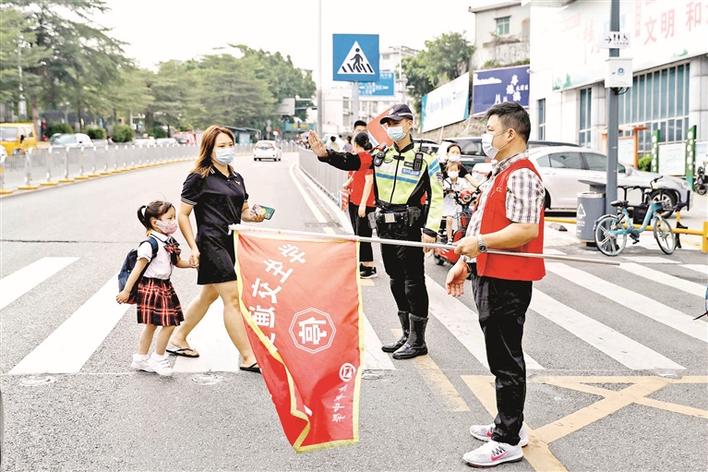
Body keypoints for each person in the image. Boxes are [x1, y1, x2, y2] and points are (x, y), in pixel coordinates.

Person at [445, 102, 545, 468]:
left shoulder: (521, 174)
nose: (486, 137)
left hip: (508, 279)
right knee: (500, 355)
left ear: (510, 133)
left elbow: (525, 229)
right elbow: (482, 223)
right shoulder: (501, 171)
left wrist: (480, 244)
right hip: (490, 272)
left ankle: (507, 439)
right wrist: (464, 263)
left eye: (490, 130)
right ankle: (510, 425)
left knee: (505, 360)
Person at [308, 104, 444, 360]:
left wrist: (430, 230)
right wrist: (325, 154)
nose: (391, 128)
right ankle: (406, 334)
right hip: (386, 228)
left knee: (413, 283)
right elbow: (352, 161)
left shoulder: (426, 159)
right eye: (388, 124)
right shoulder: (380, 155)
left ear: (409, 124)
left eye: (396, 123)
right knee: (395, 279)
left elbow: (437, 197)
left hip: (410, 229)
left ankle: (418, 340)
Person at [168, 125, 266, 373]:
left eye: (230, 145)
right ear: (209, 149)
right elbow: (183, 214)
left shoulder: (236, 177)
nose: (227, 149)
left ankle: (178, 338)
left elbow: (244, 212)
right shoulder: (198, 177)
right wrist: (193, 247)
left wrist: (256, 216)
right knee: (232, 298)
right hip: (210, 242)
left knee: (208, 295)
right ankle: (247, 356)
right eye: (221, 146)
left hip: (231, 242)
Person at [116, 201, 192, 377]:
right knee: (169, 323)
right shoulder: (149, 244)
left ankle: (140, 358)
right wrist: (126, 291)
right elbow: (137, 269)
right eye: (169, 218)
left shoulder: (169, 240)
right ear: (155, 222)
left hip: (164, 285)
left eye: (174, 217)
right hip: (152, 286)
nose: (173, 221)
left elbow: (177, 262)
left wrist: (191, 264)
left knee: (152, 325)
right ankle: (158, 358)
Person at [341, 132, 377, 278]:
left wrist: (363, 205)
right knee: (358, 234)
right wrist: (348, 183)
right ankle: (363, 263)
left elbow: (369, 181)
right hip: (355, 200)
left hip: (364, 204)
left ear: (356, 144)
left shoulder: (367, 158)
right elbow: (356, 174)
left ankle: (370, 266)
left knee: (364, 235)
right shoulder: (359, 159)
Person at [441, 160, 470, 243]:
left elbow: (466, 190)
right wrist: (446, 190)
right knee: (449, 219)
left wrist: (463, 193)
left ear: (459, 170)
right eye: (451, 170)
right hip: (448, 204)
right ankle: (449, 238)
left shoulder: (462, 181)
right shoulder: (445, 181)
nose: (453, 172)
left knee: (461, 221)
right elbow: (442, 190)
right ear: (447, 171)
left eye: (455, 170)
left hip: (459, 204)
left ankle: (459, 237)